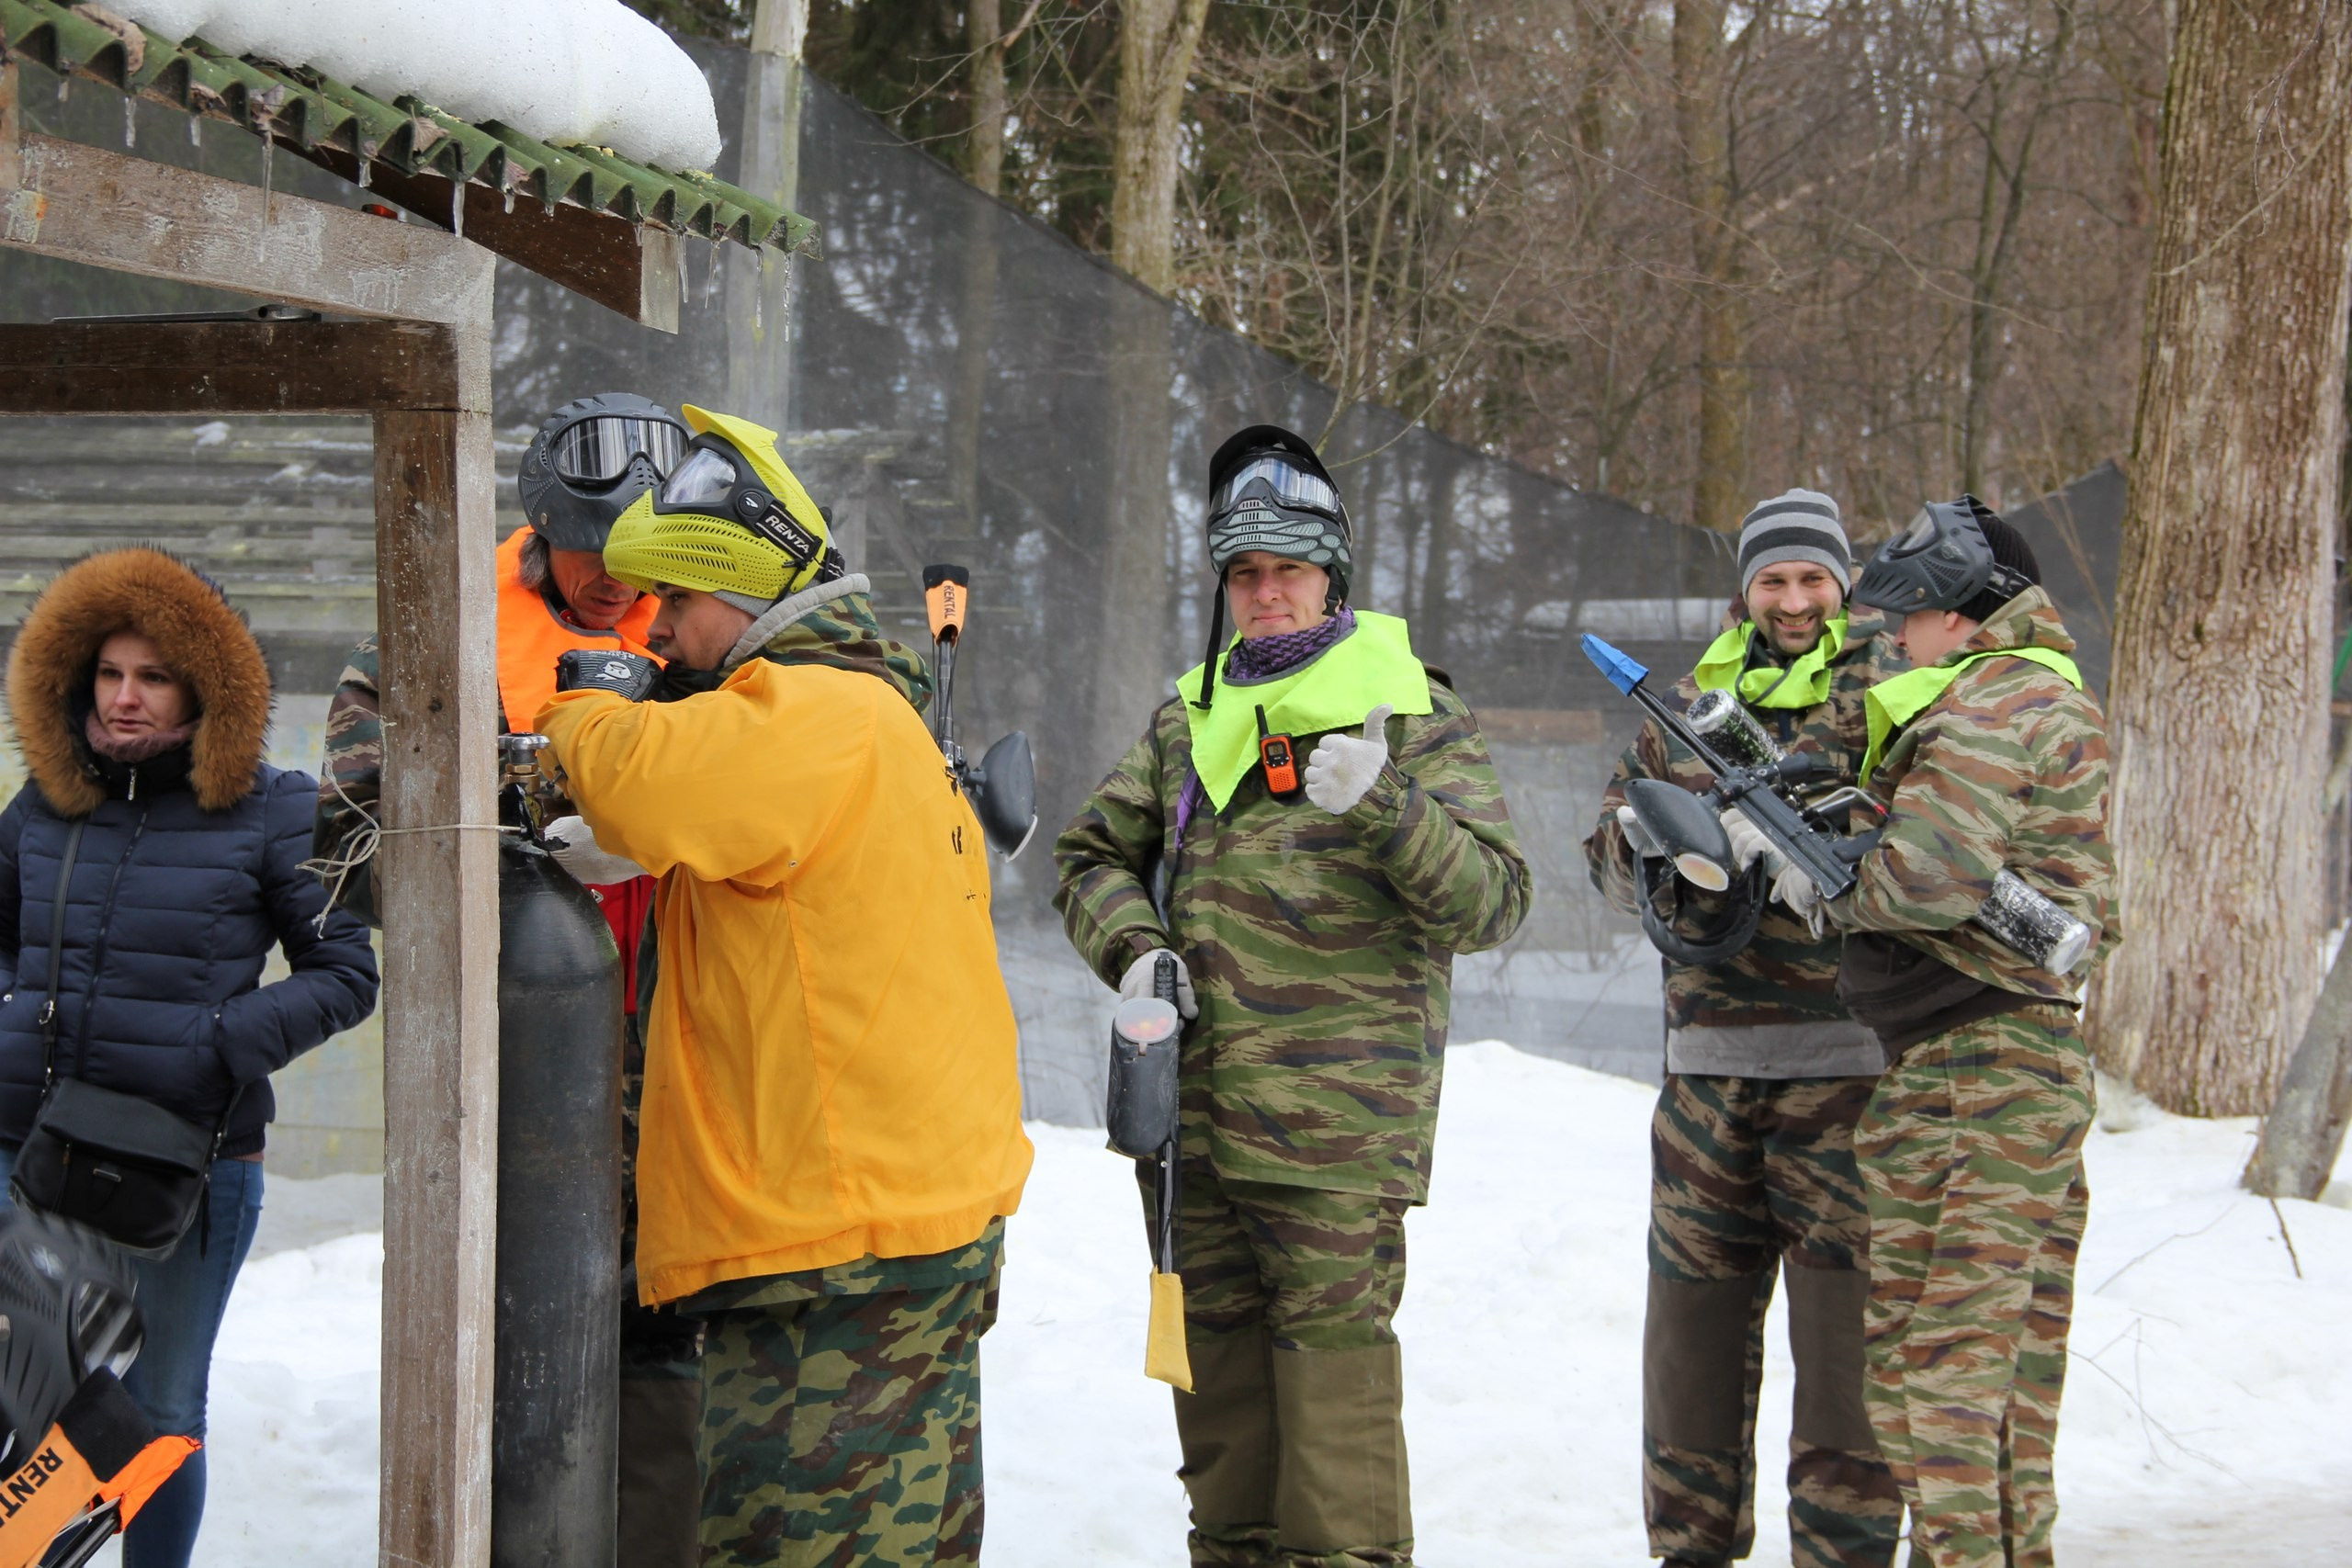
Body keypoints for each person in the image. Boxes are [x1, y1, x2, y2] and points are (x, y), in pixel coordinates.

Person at [533, 404, 1034, 1568]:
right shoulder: (874, 713)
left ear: (738, 597)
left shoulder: (819, 712)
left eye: (678, 606)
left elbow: (644, 788)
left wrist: (585, 699)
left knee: (793, 1541)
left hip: (836, 1237)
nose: (664, 634)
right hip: (897, 1218)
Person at [1055, 423, 1531, 1568]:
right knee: (1223, 1438)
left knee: (1334, 1435)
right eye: (1245, 574)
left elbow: (1494, 904)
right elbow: (1087, 858)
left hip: (1335, 1140)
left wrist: (1387, 805)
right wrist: (1137, 950)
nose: (1266, 596)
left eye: (1289, 572)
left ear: (1332, 578)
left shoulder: (1406, 706)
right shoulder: (1192, 716)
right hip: (1195, 1132)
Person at [311, 392, 706, 1565]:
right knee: (495, 1331)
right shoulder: (443, 624)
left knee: (665, 1344)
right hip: (503, 1062)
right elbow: (346, 813)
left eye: (641, 560)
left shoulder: (719, 630)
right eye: (593, 552)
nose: (612, 582)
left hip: (679, 1057)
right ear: (541, 522)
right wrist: (526, 810)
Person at [0, 547, 379, 1568]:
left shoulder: (269, 808)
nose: (127, 700)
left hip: (185, 1166)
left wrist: (209, 1049)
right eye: (111, 675)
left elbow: (344, 973)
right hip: (26, 1150)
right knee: (26, 1397)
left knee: (157, 1407)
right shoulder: (43, 804)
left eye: (155, 676)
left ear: (201, 686)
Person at [1585, 491, 1904, 1568]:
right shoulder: (1683, 704)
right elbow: (1600, 860)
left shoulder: (1891, 693)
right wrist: (1652, 840)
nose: (1794, 600)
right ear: (1745, 591)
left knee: (1846, 1369)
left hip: (1848, 1080)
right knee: (1688, 1359)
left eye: (1812, 579)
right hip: (1706, 1081)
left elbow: (1927, 850)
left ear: (1844, 584)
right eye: (1774, 580)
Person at [1796, 497, 2114, 1568]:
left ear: (1965, 615)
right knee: (2002, 1377)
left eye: (1910, 618)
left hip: (1981, 1075)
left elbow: (1925, 876)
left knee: (1936, 1371)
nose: (1894, 637)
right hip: (1994, 1068)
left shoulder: (1986, 705)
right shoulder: (2029, 696)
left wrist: (1824, 884)